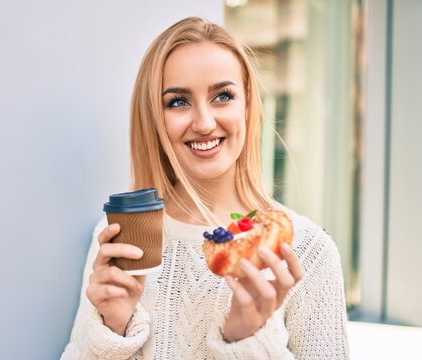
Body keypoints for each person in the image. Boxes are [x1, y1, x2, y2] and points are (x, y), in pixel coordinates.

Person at [61, 17, 349, 359]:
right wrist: (112, 329)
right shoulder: (121, 241)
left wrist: (247, 341)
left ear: (247, 105)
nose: (204, 123)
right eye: (178, 102)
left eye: (223, 96)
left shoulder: (308, 251)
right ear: (154, 117)